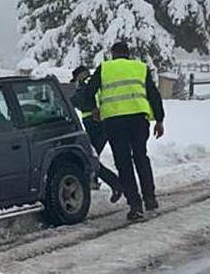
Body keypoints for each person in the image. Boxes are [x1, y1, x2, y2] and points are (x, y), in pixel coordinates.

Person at [87, 42, 165, 222]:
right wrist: (159, 120)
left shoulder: (104, 68)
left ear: (112, 54)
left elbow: (88, 91)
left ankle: (135, 205)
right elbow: (153, 95)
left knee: (123, 162)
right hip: (138, 119)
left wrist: (94, 109)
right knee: (141, 157)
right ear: (128, 54)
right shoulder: (140, 68)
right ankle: (150, 198)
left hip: (114, 121)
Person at [71, 65, 123, 204]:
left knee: (90, 158)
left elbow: (83, 100)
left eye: (76, 79)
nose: (76, 82)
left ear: (81, 75)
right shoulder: (96, 81)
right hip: (100, 122)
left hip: (95, 124)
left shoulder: (87, 83)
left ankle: (116, 184)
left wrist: (74, 101)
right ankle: (96, 181)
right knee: (92, 157)